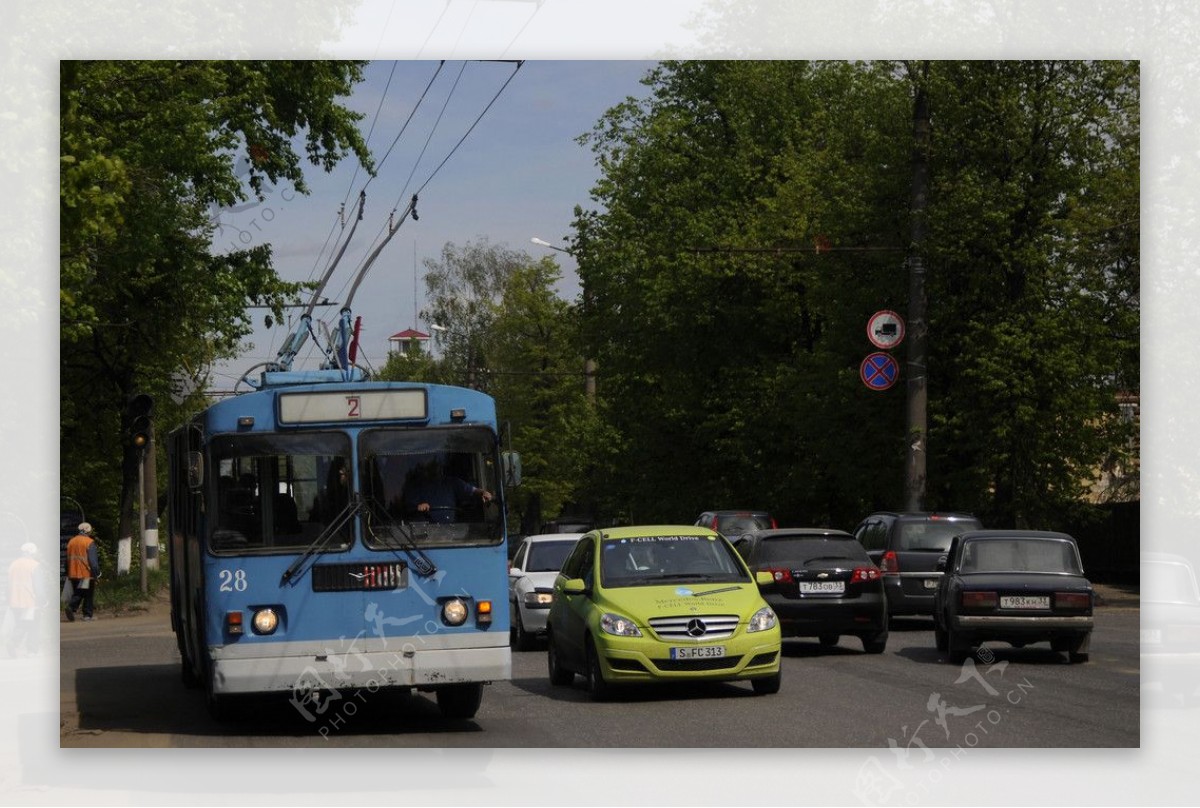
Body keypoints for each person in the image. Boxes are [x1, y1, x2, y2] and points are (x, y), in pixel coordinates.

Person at [402, 457, 493, 524]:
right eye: (431, 468)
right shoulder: (416, 486)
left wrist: (482, 492)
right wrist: (419, 506)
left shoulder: (452, 483)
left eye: (437, 467)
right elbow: (409, 506)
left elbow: (472, 491)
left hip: (450, 530)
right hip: (424, 533)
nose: (435, 471)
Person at [7, 543, 44, 656]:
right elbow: (38, 586)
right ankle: (30, 650)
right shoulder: (34, 565)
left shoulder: (13, 564)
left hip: (14, 600)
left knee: (21, 623)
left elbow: (8, 584)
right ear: (32, 552)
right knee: (33, 625)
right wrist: (43, 600)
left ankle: (14, 643)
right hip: (30, 601)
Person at [65, 522, 101, 622]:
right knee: (87, 594)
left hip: (73, 573)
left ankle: (72, 608)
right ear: (88, 531)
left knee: (79, 591)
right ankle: (86, 614)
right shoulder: (89, 542)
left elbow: (67, 560)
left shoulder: (71, 542)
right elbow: (93, 562)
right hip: (85, 574)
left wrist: (67, 572)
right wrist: (96, 573)